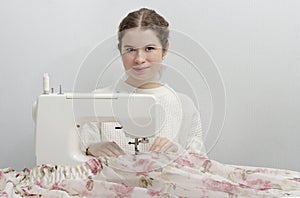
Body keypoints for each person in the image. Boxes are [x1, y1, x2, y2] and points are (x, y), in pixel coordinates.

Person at [80, 8, 206, 157]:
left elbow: (201, 167)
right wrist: (88, 150)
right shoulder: (96, 100)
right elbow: (72, 164)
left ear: (164, 50)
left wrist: (178, 153)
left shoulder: (184, 106)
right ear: (120, 51)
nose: (139, 59)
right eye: (131, 49)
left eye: (149, 48)